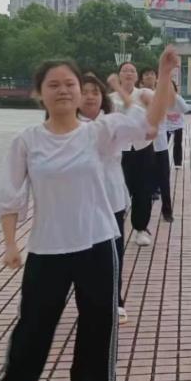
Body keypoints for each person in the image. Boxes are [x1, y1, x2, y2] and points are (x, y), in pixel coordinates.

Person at [0, 48, 177, 381]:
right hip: (47, 247)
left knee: (98, 320)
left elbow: (150, 122)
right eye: (54, 85)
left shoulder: (99, 132)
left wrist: (164, 75)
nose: (64, 90)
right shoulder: (27, 140)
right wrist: (10, 244)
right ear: (39, 93)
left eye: (69, 84)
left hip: (97, 242)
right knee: (33, 324)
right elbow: (9, 195)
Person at [79, 73, 131, 324]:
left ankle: (115, 300)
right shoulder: (64, 125)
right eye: (84, 92)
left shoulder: (113, 122)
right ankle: (85, 300)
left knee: (112, 253)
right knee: (81, 255)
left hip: (111, 199)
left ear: (103, 97)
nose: (90, 97)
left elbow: (145, 125)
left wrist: (118, 87)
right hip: (78, 203)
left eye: (95, 92)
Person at [112, 62, 157, 247]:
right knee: (119, 189)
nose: (128, 73)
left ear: (137, 76)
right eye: (125, 70)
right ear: (119, 75)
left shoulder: (145, 95)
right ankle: (115, 230)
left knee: (143, 190)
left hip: (143, 148)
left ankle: (140, 229)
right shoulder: (110, 98)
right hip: (119, 151)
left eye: (132, 70)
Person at [141, 68, 175, 223]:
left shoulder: (161, 95)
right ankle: (142, 214)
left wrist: (167, 79)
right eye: (146, 74)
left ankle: (167, 211)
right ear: (142, 79)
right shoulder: (138, 95)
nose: (149, 76)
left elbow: (176, 104)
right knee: (143, 180)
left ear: (156, 78)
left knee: (164, 179)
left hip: (160, 145)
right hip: (143, 145)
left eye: (152, 74)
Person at [164, 81, 188, 169]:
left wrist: (176, 97)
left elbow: (185, 109)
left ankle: (178, 163)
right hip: (166, 125)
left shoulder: (178, 98)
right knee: (163, 144)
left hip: (178, 125)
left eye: (171, 87)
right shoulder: (162, 98)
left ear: (174, 88)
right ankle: (161, 162)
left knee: (177, 143)